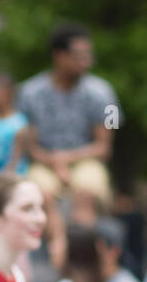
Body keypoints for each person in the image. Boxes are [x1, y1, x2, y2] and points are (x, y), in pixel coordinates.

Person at [13, 22, 121, 204]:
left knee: (89, 189)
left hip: (86, 161)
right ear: (59, 55)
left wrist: (66, 158)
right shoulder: (28, 93)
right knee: (37, 193)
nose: (87, 61)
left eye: (89, 54)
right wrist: (54, 162)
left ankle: (89, 232)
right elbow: (28, 145)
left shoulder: (104, 92)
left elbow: (104, 147)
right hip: (42, 162)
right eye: (80, 55)